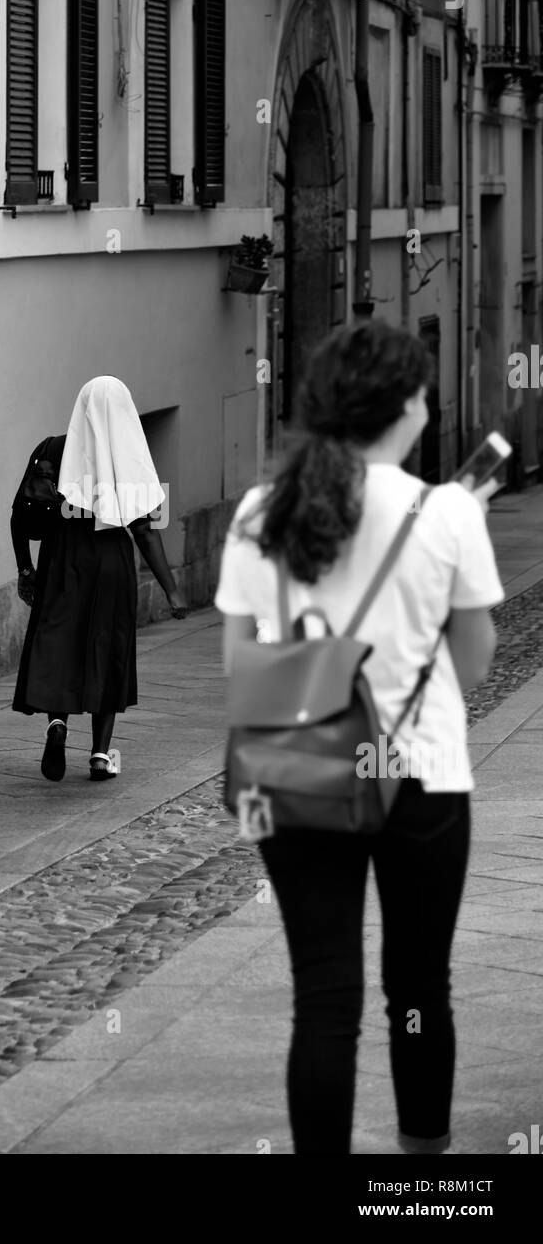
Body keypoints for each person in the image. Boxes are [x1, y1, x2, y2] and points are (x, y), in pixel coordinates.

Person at [214, 320, 503, 1156]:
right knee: (419, 987)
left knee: (324, 997)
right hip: (422, 774)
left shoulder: (261, 512)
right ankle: (421, 1180)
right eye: (419, 392)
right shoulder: (446, 511)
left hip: (297, 774)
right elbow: (476, 663)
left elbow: (242, 663)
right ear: (402, 409)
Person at [11, 375, 188, 781]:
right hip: (110, 562)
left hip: (62, 558)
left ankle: (57, 724)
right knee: (108, 648)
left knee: (61, 642)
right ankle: (100, 755)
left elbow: (20, 513)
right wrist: (172, 590)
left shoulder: (51, 448)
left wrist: (26, 568)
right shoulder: (129, 456)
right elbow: (144, 528)